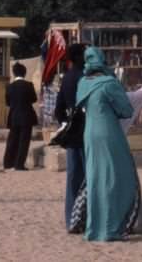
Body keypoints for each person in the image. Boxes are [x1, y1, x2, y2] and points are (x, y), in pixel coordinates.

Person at [75, 47, 141, 241]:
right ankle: (111, 229)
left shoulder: (83, 83)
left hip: (90, 134)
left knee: (96, 180)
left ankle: (94, 228)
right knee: (119, 179)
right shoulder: (109, 83)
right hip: (109, 134)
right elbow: (126, 110)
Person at [54, 42, 86, 229]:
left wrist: (66, 124)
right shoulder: (83, 78)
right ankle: (83, 217)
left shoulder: (66, 78)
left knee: (73, 177)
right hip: (84, 133)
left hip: (72, 135)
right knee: (87, 178)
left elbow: (58, 109)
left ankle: (71, 219)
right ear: (77, 58)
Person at [3, 61, 38, 171]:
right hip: (26, 116)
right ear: (24, 73)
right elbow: (34, 99)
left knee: (12, 140)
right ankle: (19, 164)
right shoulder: (29, 85)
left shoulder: (10, 87)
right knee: (24, 141)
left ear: (14, 73)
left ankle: (8, 162)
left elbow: (7, 102)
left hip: (13, 116)